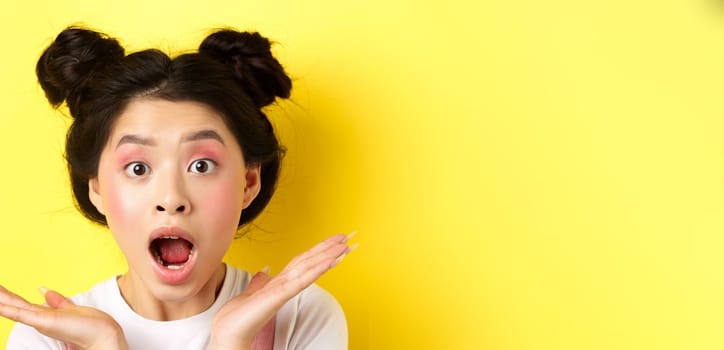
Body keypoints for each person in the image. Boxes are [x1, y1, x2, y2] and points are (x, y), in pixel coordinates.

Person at [0, 26, 355, 350]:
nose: (172, 199)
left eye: (201, 165)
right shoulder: (47, 340)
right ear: (97, 189)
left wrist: (232, 343)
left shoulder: (301, 316)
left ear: (248, 182)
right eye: (138, 168)